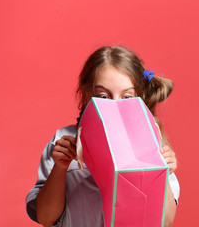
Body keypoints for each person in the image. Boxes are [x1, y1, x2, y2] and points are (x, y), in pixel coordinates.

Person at [26, 46, 180, 227]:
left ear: (140, 98)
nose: (114, 106)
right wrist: (60, 168)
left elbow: (166, 221)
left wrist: (163, 173)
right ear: (85, 96)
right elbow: (46, 218)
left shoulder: (153, 144)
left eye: (127, 97)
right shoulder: (64, 141)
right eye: (104, 96)